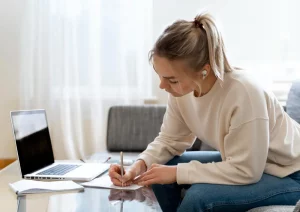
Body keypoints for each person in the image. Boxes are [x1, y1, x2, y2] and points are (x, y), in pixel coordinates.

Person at [109, 12, 300, 211]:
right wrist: (139, 165)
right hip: (252, 166)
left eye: (172, 79)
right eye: (161, 76)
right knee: (158, 172)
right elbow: (169, 141)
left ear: (204, 70)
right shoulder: (181, 91)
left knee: (199, 197)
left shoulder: (244, 92)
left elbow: (247, 171)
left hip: (291, 174)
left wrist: (177, 173)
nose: (162, 86)